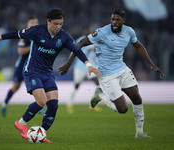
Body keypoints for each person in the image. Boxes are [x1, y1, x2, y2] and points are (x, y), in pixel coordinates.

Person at [0, 8, 101, 143]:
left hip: (47, 73)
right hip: (32, 70)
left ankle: (41, 134)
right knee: (42, 101)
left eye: (61, 24)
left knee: (53, 105)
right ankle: (21, 123)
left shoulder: (64, 36)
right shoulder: (37, 30)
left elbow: (77, 50)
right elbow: (15, 34)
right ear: (48, 21)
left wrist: (89, 65)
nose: (58, 27)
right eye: (55, 23)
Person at [58, 8, 165, 139]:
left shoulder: (129, 31)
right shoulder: (102, 32)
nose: (114, 22)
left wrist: (151, 64)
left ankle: (139, 133)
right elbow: (80, 43)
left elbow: (138, 46)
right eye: (112, 19)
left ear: (123, 21)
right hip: (107, 74)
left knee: (137, 99)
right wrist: (68, 64)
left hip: (123, 70)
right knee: (123, 109)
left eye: (117, 20)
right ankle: (101, 95)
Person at [1, 16, 46, 117]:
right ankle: (4, 104)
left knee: (38, 83)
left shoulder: (40, 36)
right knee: (15, 87)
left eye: (36, 23)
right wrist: (33, 46)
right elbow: (20, 51)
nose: (34, 24)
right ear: (27, 25)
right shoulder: (25, 35)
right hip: (21, 66)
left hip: (33, 66)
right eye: (32, 22)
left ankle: (39, 105)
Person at [67, 27, 102, 114]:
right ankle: (69, 104)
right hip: (80, 67)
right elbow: (76, 52)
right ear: (85, 31)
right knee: (76, 86)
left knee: (98, 84)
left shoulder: (94, 41)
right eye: (89, 30)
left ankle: (93, 105)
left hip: (91, 67)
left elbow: (94, 55)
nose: (90, 32)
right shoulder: (81, 40)